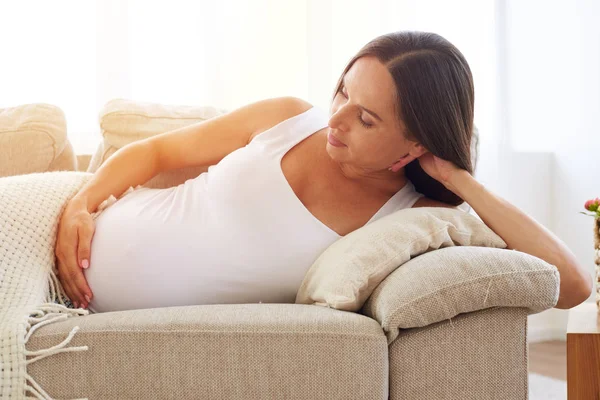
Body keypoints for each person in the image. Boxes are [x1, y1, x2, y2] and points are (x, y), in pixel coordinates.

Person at [55, 30, 592, 313]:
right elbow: (154, 155)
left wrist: (461, 181)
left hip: (75, 312)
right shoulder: (287, 117)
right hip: (65, 240)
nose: (334, 120)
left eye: (365, 118)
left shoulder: (413, 215)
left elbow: (569, 287)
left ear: (414, 144)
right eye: (342, 90)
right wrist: (81, 203)